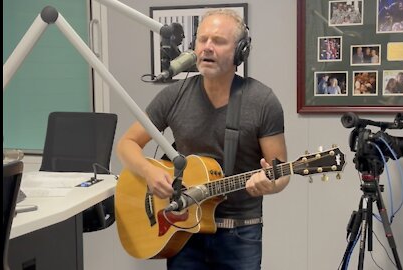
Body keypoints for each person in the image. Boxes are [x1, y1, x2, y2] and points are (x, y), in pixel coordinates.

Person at [117, 8, 290, 270]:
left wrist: (270, 183)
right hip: (183, 228)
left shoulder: (263, 101)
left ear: (240, 51)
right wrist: (149, 173)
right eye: (202, 39)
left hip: (239, 233)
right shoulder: (174, 95)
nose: (207, 47)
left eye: (219, 41)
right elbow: (127, 144)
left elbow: (281, 172)